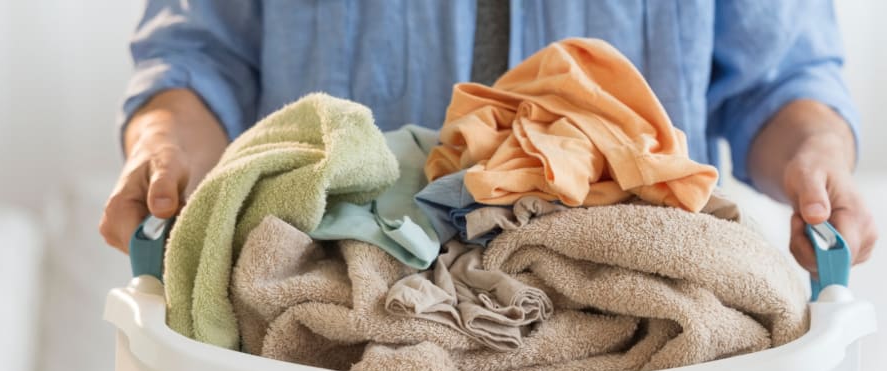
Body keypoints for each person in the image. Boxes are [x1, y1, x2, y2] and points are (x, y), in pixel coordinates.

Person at [99, 0, 877, 272]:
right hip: (336, 343)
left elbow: (780, 82)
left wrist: (818, 157)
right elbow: (200, 58)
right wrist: (163, 147)